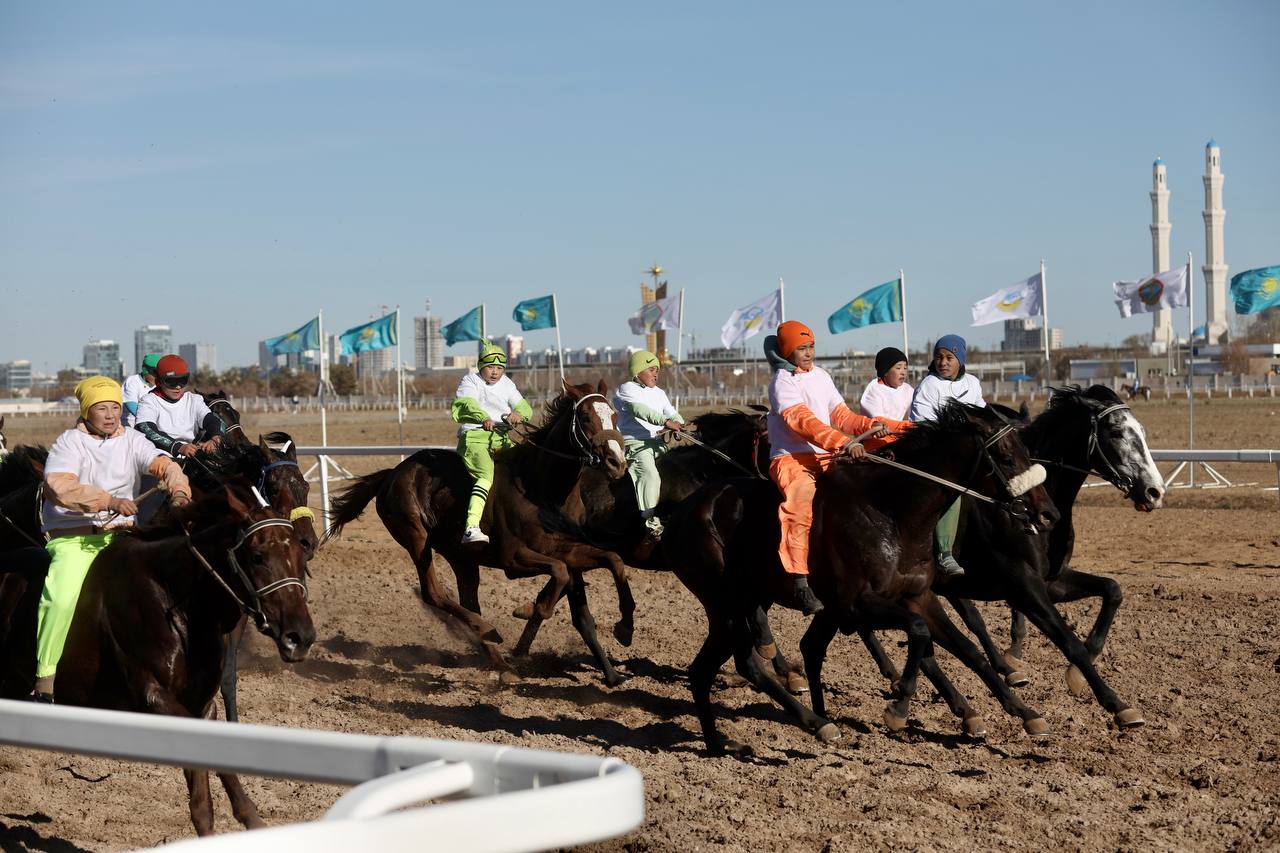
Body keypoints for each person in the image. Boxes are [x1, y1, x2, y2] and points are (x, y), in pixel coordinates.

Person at [33, 376, 192, 701]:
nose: (110, 414)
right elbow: (59, 487)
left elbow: (165, 465)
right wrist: (109, 501)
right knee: (60, 599)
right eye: (101, 408)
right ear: (87, 411)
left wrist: (179, 492)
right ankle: (44, 679)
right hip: (74, 542)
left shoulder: (133, 440)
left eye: (115, 407)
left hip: (122, 539)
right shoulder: (68, 443)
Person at [766, 321, 909, 615]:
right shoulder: (782, 381)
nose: (808, 353)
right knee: (800, 506)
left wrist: (871, 427)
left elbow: (841, 416)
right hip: (791, 458)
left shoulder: (821, 376)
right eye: (801, 348)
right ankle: (800, 581)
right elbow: (803, 422)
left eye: (810, 347)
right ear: (787, 351)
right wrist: (842, 443)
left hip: (826, 455)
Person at [908, 334, 987, 579]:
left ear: (960, 360)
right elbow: (924, 425)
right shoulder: (929, 386)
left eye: (949, 358)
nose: (943, 362)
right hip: (935, 455)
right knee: (950, 487)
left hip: (968, 452)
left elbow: (982, 414)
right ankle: (944, 553)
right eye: (939, 357)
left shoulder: (972, 383)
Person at [451, 342, 533, 545]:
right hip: (474, 437)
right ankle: (471, 527)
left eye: (500, 368)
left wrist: (518, 414)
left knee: (526, 466)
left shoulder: (507, 384)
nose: (495, 372)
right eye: (490, 367)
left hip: (501, 438)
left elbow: (525, 407)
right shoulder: (470, 380)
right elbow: (465, 404)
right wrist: (483, 417)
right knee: (486, 475)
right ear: (481, 367)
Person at [614, 350, 684, 543]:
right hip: (635, 445)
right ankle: (652, 525)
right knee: (650, 475)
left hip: (658, 444)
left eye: (657, 370)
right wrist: (666, 422)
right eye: (651, 370)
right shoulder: (626, 389)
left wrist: (679, 422)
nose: (656, 374)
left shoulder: (659, 393)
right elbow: (639, 410)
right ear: (638, 372)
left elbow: (672, 412)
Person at [134, 355, 224, 460]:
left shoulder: (194, 400)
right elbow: (146, 428)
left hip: (190, 456)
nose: (178, 387)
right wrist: (178, 447)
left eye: (182, 381)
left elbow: (214, 421)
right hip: (157, 458)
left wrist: (215, 438)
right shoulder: (148, 401)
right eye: (172, 382)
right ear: (159, 382)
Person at [859, 347, 914, 422]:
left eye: (905, 368)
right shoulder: (873, 391)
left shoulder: (907, 389)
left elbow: (918, 413)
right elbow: (880, 422)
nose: (903, 372)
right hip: (877, 432)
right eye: (898, 368)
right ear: (885, 371)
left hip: (897, 431)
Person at [121, 353, 161, 428]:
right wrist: (151, 419)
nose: (157, 377)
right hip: (129, 425)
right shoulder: (132, 381)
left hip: (150, 424)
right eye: (155, 373)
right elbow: (132, 406)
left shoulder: (160, 384)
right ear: (145, 371)